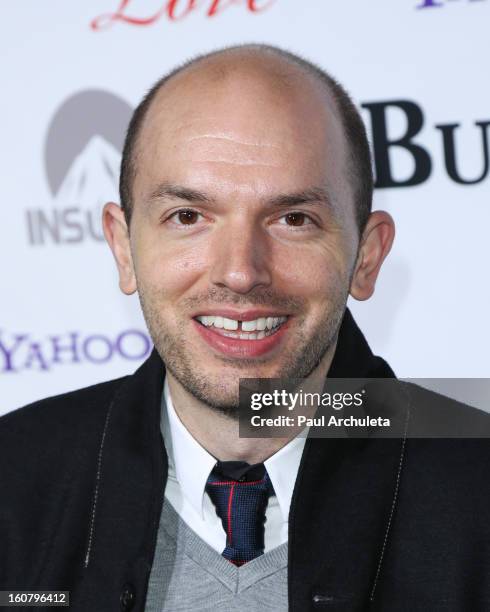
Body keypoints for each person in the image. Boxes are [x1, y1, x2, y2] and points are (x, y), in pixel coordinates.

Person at [1, 45, 489, 612]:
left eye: (293, 219)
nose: (239, 271)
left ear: (366, 257)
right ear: (123, 247)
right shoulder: (13, 482)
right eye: (188, 217)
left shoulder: (477, 488)